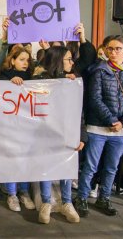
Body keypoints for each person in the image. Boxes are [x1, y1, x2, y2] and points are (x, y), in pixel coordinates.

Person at [73, 35, 123, 217]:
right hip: (97, 128)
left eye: (118, 48)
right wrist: (112, 120)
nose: (113, 52)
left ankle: (104, 198)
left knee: (111, 167)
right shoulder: (98, 70)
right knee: (90, 166)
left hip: (120, 131)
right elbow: (94, 99)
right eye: (110, 49)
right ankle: (82, 197)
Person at [33, 46, 86, 224]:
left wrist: (82, 136)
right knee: (47, 167)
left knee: (67, 167)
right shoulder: (39, 80)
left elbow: (80, 112)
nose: (72, 63)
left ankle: (67, 202)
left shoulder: (73, 82)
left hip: (68, 133)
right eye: (68, 59)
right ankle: (46, 202)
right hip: (45, 134)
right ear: (57, 60)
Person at [0, 45, 36, 212]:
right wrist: (9, 83)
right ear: (12, 60)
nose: (25, 63)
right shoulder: (3, 76)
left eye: (27, 60)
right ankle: (12, 194)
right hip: (10, 125)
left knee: (26, 158)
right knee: (12, 158)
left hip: (27, 125)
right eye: (21, 60)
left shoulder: (32, 77)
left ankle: (24, 192)